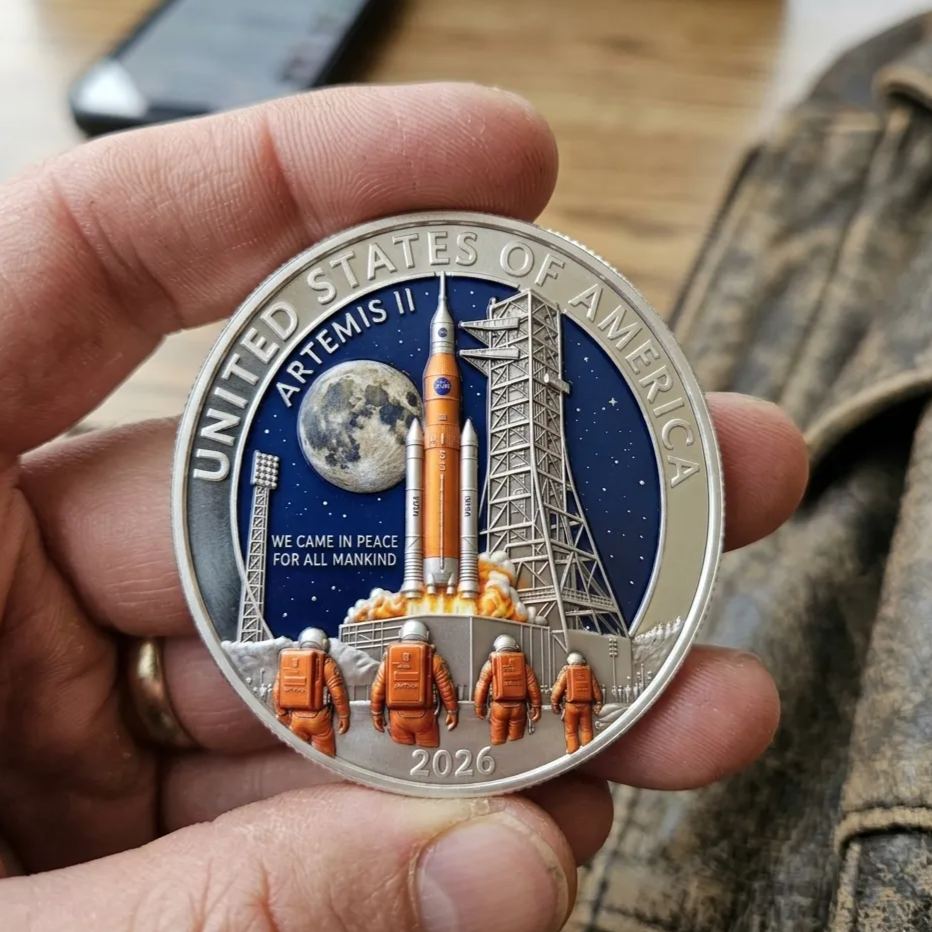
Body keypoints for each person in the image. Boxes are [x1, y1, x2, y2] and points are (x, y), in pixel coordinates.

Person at [0, 83, 807, 930]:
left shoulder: (496, 632)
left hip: (476, 645)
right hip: (435, 606)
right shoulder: (416, 477)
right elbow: (401, 695)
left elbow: (442, 692)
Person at [369, 620, 458, 747]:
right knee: (428, 747)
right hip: (425, 717)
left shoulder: (388, 659)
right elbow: (446, 687)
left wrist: (376, 713)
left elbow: (377, 689)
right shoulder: (434, 659)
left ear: (401, 634)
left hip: (397, 717)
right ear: (426, 635)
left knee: (402, 751)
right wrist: (452, 711)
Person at [272, 627, 349, 757]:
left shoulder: (288, 662)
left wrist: (282, 714)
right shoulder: (326, 663)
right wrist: (344, 715)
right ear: (324, 643)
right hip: (319, 720)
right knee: (324, 757)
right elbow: (337, 693)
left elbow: (277, 691)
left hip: (295, 719)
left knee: (297, 756)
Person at [473, 634, 542, 744]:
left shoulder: (491, 664)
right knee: (516, 740)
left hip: (498, 708)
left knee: (497, 739)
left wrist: (478, 706)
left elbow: (481, 686)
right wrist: (536, 706)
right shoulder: (523, 665)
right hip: (519, 708)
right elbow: (533, 686)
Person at [551, 651, 604, 754]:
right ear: (582, 661)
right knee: (586, 729)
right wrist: (598, 702)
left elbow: (558, 689)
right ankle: (587, 751)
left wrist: (554, 703)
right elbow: (595, 688)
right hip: (586, 707)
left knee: (571, 731)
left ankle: (572, 750)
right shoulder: (588, 672)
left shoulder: (567, 672)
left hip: (570, 707)